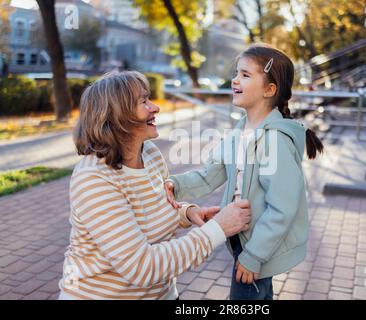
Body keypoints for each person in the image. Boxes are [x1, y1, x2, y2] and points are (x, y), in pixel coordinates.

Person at [58, 70, 251, 300]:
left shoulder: (149, 153)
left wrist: (186, 213)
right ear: (118, 116)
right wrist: (218, 229)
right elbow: (141, 267)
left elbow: (153, 209)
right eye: (143, 101)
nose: (155, 107)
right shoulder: (94, 179)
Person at [165, 43, 324, 300]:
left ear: (269, 90)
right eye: (236, 73)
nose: (235, 80)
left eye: (245, 75)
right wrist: (175, 184)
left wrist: (254, 256)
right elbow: (210, 174)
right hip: (243, 240)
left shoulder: (275, 141)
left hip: (258, 247)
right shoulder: (239, 132)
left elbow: (283, 207)